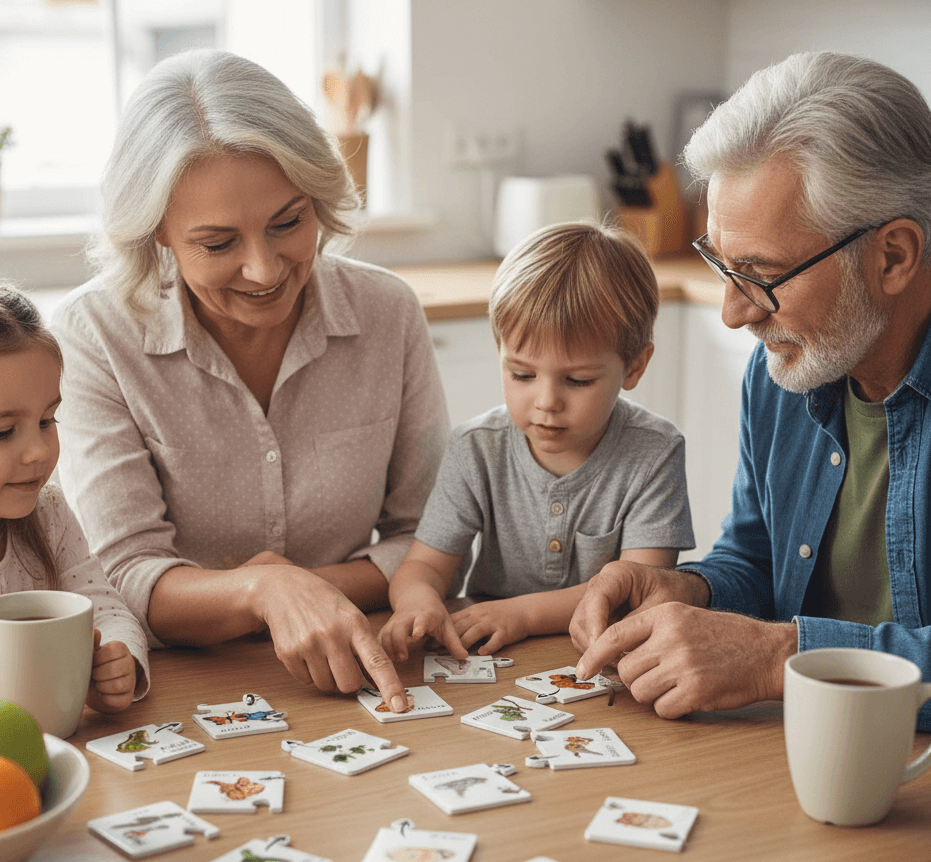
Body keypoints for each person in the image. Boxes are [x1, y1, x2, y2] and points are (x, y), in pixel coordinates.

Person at [52, 49, 449, 713]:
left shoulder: (387, 312)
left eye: (288, 222)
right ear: (158, 236)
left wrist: (294, 590)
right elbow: (124, 575)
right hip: (183, 689)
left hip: (366, 666)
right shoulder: (93, 337)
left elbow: (435, 533)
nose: (264, 270)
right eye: (217, 243)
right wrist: (264, 592)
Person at [571, 51, 931, 731]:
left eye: (760, 274)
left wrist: (777, 656)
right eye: (720, 265)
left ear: (892, 256)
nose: (733, 313)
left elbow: (772, 644)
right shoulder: (787, 371)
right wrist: (687, 588)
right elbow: (757, 559)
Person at [379, 221, 694, 662]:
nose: (546, 402)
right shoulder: (476, 448)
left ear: (635, 367)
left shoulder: (655, 452)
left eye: (578, 380)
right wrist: (418, 602)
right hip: (489, 653)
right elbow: (424, 566)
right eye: (522, 374)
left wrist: (522, 615)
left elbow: (640, 592)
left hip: (600, 657)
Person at [0, 275, 149, 716]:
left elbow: (104, 607)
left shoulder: (50, 513)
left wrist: (115, 658)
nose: (39, 452)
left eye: (47, 420)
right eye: (1, 433)